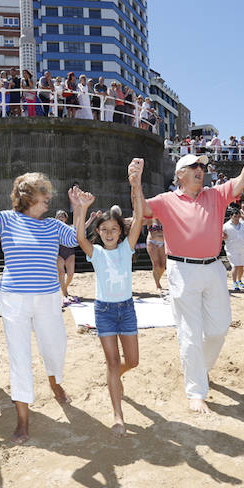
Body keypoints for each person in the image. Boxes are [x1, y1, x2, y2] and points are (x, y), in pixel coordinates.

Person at [132, 124, 244, 413]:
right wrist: (135, 184)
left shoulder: (216, 194)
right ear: (180, 175)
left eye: (202, 166)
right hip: (182, 271)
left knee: (218, 329)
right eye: (193, 166)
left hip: (213, 268)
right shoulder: (166, 200)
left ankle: (199, 368)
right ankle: (196, 391)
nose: (200, 169)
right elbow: (140, 212)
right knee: (189, 331)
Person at [0, 168, 76, 443]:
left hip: (49, 297)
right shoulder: (6, 219)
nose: (49, 199)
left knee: (55, 346)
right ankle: (23, 421)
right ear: (28, 197)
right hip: (14, 299)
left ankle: (55, 383)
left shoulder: (52, 225)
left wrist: (79, 210)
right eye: (44, 194)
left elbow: (76, 240)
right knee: (20, 358)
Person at [69, 167, 143, 437]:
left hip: (127, 310)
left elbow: (138, 217)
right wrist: (80, 208)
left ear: (120, 232)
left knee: (132, 361)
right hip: (104, 312)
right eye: (104, 229)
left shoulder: (127, 247)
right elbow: (79, 237)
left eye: (114, 229)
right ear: (98, 232)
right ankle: (117, 415)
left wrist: (136, 186)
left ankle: (115, 377)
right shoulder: (96, 253)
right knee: (112, 362)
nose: (109, 233)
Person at [222, 207, 244, 291]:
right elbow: (221, 236)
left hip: (242, 248)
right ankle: (234, 282)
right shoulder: (225, 226)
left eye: (238, 216)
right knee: (235, 265)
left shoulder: (243, 225)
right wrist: (223, 237)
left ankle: (239, 280)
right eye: (235, 216)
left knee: (241, 265)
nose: (237, 218)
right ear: (231, 217)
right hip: (231, 249)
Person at [55, 210, 78, 306]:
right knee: (61, 273)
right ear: (56, 218)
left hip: (70, 252)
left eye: (63, 216)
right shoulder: (53, 228)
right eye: (59, 216)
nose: (61, 218)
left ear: (65, 218)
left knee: (70, 274)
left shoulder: (71, 227)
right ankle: (65, 294)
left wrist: (91, 218)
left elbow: (82, 227)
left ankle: (64, 287)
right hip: (59, 253)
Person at [145, 218, 166, 291]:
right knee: (156, 264)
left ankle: (158, 278)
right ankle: (158, 284)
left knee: (162, 266)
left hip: (163, 242)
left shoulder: (165, 217)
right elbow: (140, 221)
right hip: (152, 242)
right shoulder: (150, 217)